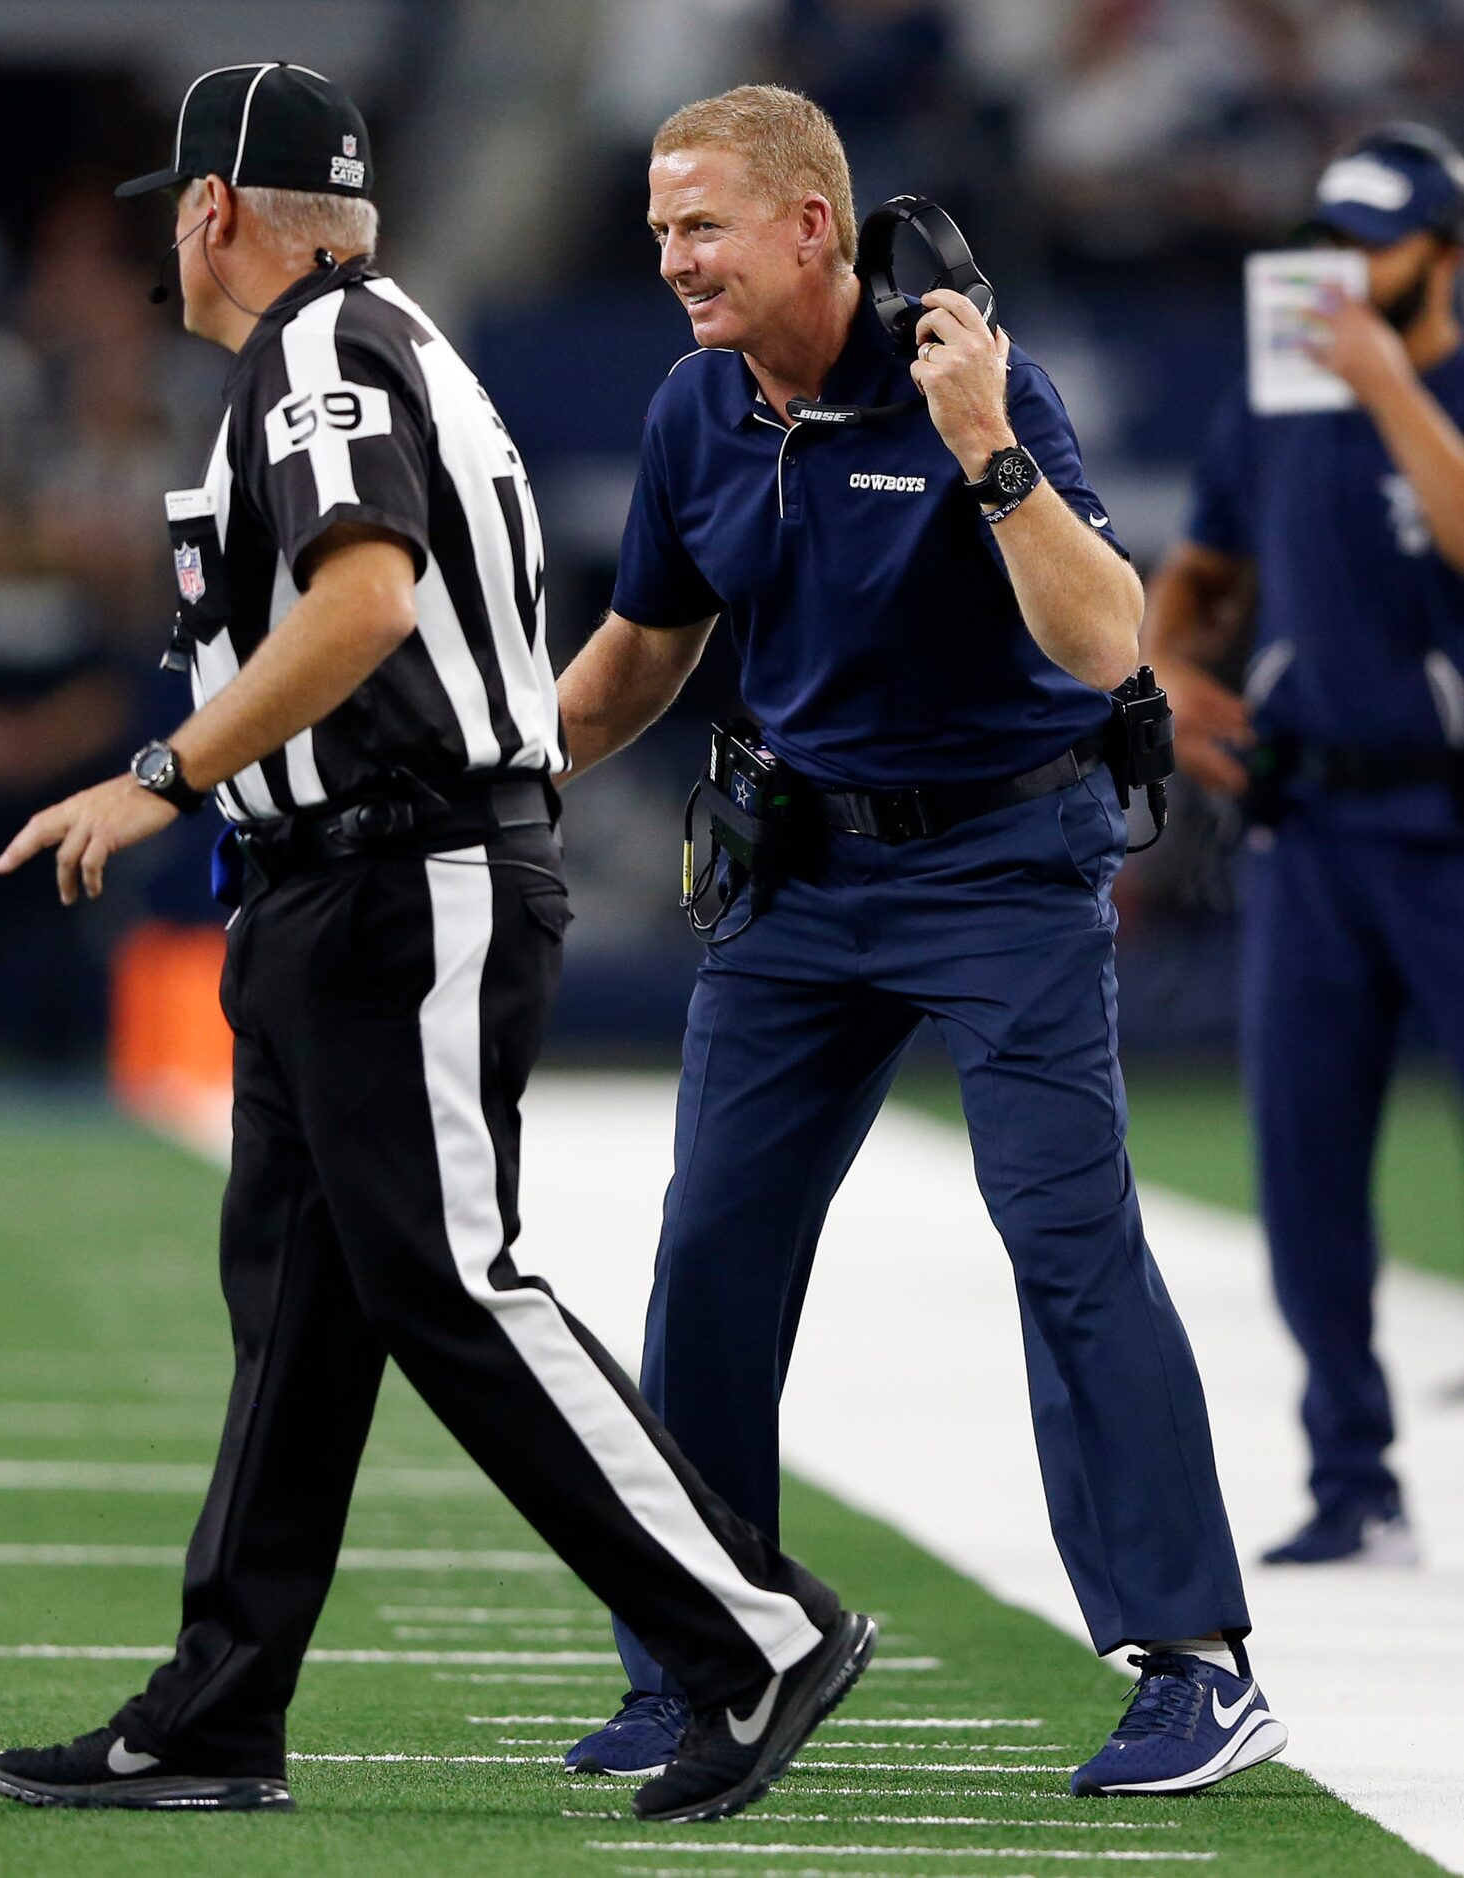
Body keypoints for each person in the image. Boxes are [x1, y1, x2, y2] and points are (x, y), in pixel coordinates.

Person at [0, 62, 874, 1825]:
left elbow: (363, 594)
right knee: (307, 1307)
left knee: (448, 1279)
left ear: (218, 210)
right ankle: (219, 1704)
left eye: (177, 204)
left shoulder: (319, 349)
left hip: (405, 875)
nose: (170, 236)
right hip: (347, 878)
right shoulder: (369, 335)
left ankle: (756, 1629)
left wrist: (164, 772)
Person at [554, 84, 1284, 1799]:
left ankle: (1196, 1660)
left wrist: (988, 446)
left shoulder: (977, 376)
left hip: (1000, 866)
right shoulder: (692, 410)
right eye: (661, 230)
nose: (672, 260)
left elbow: (1114, 640)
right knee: (711, 1252)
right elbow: (643, 650)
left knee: (1064, 1234)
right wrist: (490, 771)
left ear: (813, 225)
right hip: (797, 874)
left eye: (703, 225)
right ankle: (702, 1652)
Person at [1143, 125, 1464, 1568]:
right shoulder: (1275, 401)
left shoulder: (1412, 381)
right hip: (1314, 824)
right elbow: (1206, 571)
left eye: (1374, 244)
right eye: (1326, 239)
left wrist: (1389, 387)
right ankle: (1353, 1474)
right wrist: (1165, 669)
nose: (1341, 271)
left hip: (1450, 820)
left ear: (1441, 258)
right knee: (1302, 1164)